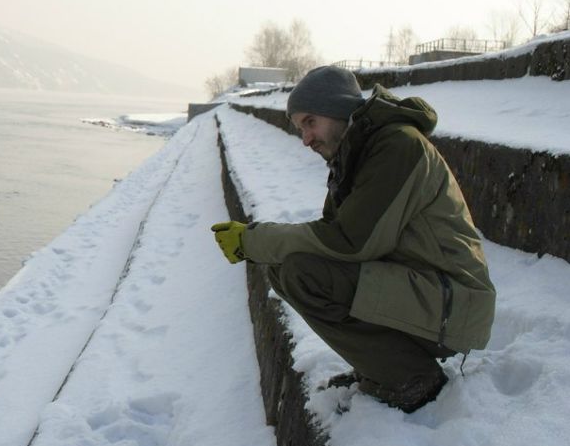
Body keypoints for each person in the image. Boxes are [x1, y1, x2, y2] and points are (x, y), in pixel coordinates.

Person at [211, 65, 495, 413]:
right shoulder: (357, 153)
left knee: (305, 274)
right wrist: (263, 245)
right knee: (286, 269)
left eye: (310, 122)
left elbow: (350, 242)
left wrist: (253, 240)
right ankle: (382, 366)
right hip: (427, 292)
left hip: (455, 303)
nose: (305, 139)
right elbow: (337, 235)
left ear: (338, 111)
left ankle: (411, 377)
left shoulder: (399, 147)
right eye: (300, 128)